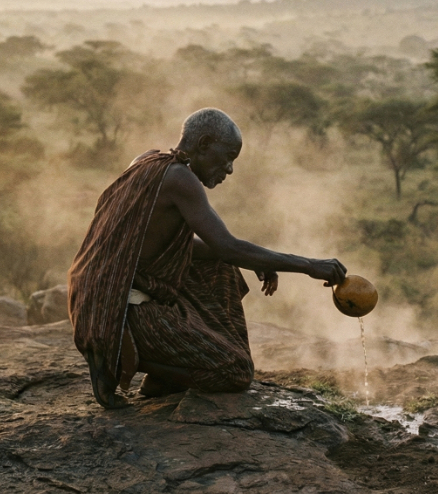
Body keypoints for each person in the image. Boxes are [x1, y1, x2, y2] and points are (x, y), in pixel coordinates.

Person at [68, 108, 348, 409]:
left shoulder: (147, 162)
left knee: (221, 267)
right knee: (235, 373)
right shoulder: (180, 179)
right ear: (203, 144)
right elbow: (226, 245)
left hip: (97, 294)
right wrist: (307, 265)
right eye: (227, 157)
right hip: (115, 309)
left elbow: (181, 246)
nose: (229, 169)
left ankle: (167, 374)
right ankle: (122, 361)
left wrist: (258, 260)